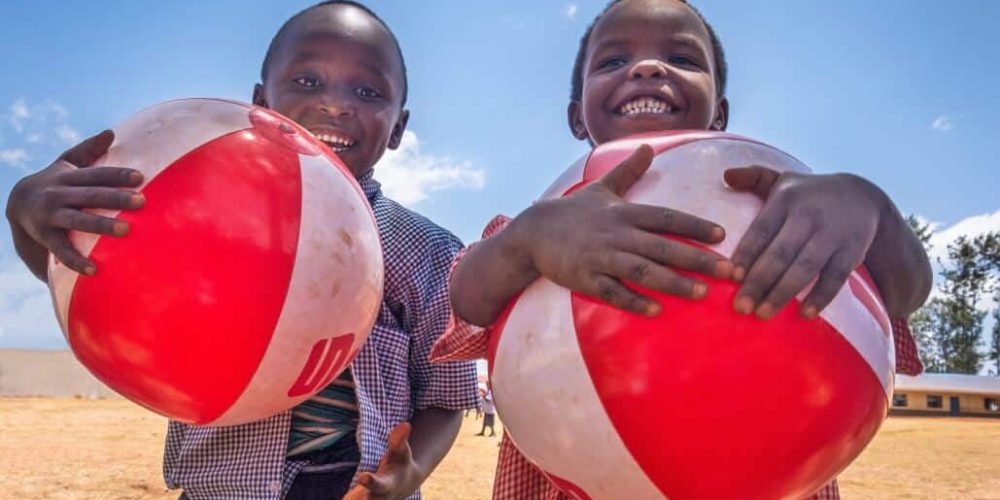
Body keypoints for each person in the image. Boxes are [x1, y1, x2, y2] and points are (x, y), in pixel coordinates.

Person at [430, 0, 932, 498]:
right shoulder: (540, 224)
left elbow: (902, 298)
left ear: (721, 112)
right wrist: (526, 243)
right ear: (576, 117)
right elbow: (464, 299)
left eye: (684, 60)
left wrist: (876, 213)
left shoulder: (784, 210)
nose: (647, 68)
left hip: (768, 475)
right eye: (612, 62)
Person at [4, 2, 479, 499]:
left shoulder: (425, 250)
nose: (335, 105)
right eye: (307, 82)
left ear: (399, 127)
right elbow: (88, 287)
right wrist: (25, 217)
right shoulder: (197, 215)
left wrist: (410, 474)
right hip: (221, 490)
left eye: (367, 91)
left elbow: (444, 398)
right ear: (260, 101)